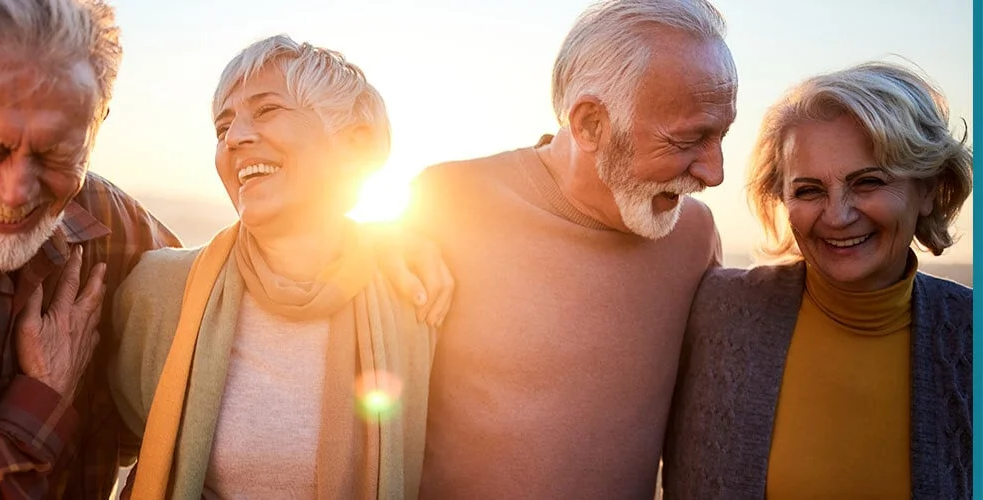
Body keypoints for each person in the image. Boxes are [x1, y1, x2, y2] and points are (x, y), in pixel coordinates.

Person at [0, 2, 449, 498]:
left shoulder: (108, 227)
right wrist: (42, 400)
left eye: (59, 150)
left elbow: (239, 276)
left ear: (99, 126)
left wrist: (384, 246)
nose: (18, 190)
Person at [407, 0, 736, 498]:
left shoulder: (692, 235)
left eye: (721, 135)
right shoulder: (448, 200)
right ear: (589, 124)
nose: (714, 173)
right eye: (688, 140)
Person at [108, 35, 437, 499]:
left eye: (265, 111)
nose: (236, 137)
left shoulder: (417, 303)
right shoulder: (159, 292)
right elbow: (102, 445)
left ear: (354, 144)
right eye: (223, 129)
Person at [661, 62, 972, 499]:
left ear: (927, 189)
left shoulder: (968, 337)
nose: (837, 215)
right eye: (808, 190)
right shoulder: (717, 313)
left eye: (868, 182)